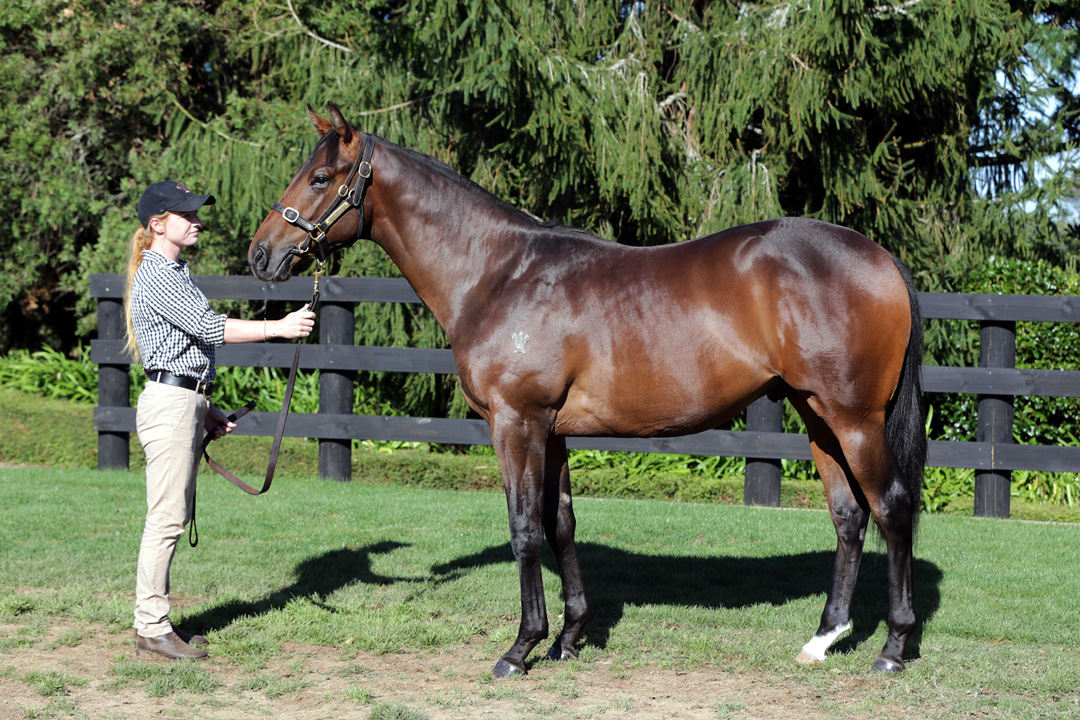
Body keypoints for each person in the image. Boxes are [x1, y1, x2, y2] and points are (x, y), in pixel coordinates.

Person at [123, 181, 316, 660]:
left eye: (196, 214)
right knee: (166, 519)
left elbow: (182, 347)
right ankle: (151, 627)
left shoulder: (173, 271)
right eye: (187, 215)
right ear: (158, 224)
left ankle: (155, 623)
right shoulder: (159, 274)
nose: (197, 221)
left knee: (172, 516)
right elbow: (211, 328)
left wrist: (203, 405)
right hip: (171, 404)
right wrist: (279, 327)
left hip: (181, 400)